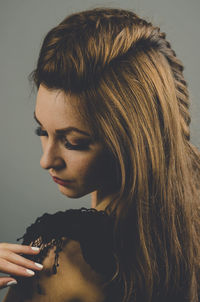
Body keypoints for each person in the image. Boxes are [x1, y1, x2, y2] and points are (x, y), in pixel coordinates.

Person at [1, 7, 200, 302]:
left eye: (73, 142)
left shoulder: (61, 258)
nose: (46, 161)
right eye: (42, 131)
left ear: (131, 142)